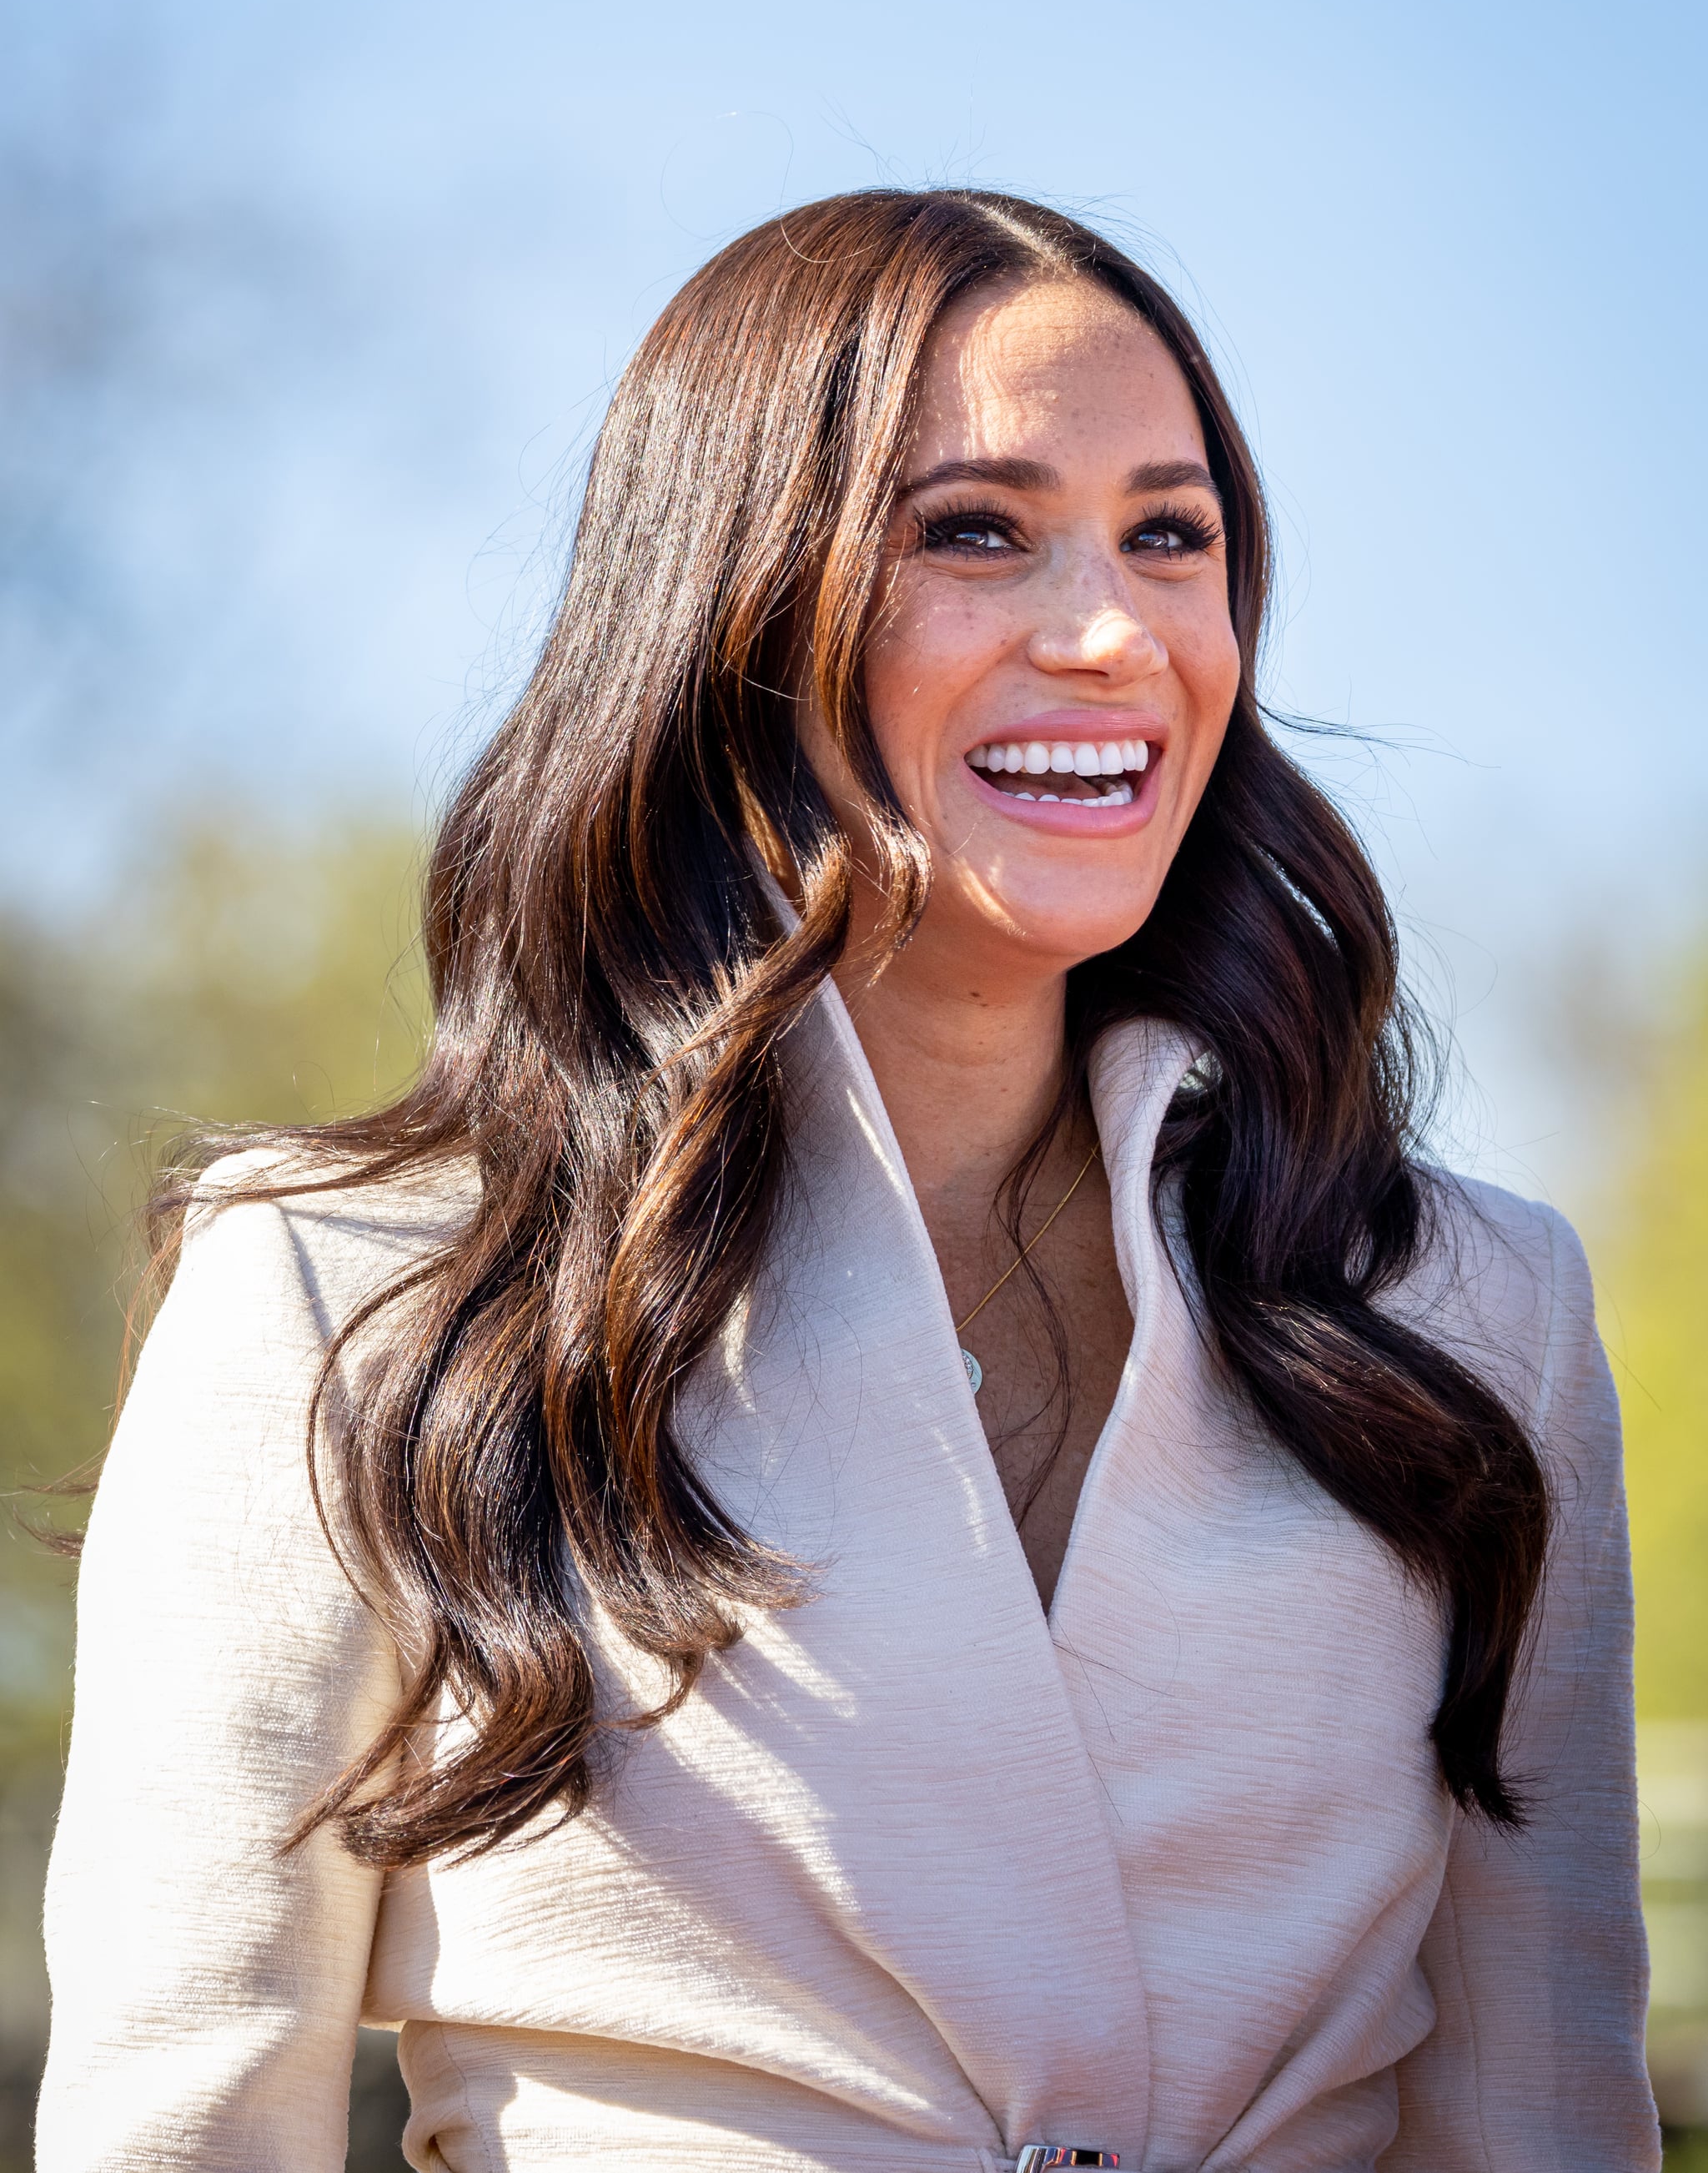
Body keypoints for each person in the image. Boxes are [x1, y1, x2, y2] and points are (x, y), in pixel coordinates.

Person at [38, 189, 1657, 2172]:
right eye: (974, 530)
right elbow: (181, 2129)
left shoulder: (1470, 1315)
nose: (1113, 629)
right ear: (730, 604)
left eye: (1174, 534)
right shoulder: (345, 1300)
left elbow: (1542, 2111)